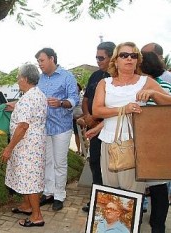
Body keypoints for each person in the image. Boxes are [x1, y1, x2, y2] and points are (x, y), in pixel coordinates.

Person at [92, 42, 171, 195]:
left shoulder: (146, 82)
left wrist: (154, 94)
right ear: (115, 60)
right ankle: (113, 220)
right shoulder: (105, 83)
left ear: (137, 60)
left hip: (135, 144)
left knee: (132, 195)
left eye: (133, 55)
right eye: (124, 55)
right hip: (109, 142)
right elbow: (96, 110)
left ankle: (133, 219)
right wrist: (123, 109)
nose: (129, 58)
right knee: (110, 193)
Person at [1, 63, 47, 227]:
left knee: (30, 180)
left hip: (27, 146)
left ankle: (37, 216)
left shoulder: (28, 98)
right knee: (26, 176)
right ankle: (27, 206)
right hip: (33, 145)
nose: (17, 80)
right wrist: (15, 106)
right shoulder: (37, 94)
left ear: (26, 79)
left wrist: (9, 148)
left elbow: (23, 126)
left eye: (19, 78)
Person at [35, 48, 79, 211]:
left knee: (60, 163)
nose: (40, 64)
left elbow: (75, 99)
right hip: (43, 127)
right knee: (47, 162)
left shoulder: (67, 76)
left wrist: (61, 103)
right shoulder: (40, 79)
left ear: (52, 59)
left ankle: (59, 195)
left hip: (61, 127)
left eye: (42, 60)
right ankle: (49, 193)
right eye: (38, 61)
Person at [81, 41, 116, 213]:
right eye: (96, 57)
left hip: (111, 129)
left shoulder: (117, 79)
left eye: (101, 57)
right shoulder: (95, 76)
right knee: (95, 163)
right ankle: (96, 200)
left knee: (110, 167)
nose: (97, 61)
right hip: (94, 128)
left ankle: (108, 204)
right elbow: (86, 99)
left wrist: (98, 121)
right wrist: (88, 117)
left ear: (112, 57)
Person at [140, 50, 170, 233]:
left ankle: (156, 225)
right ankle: (157, 225)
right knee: (159, 190)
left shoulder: (161, 87)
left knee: (157, 189)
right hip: (156, 146)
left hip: (152, 146)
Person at [72, 83, 84, 155]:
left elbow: (85, 108)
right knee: (76, 134)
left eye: (77, 88)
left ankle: (84, 150)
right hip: (74, 119)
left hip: (82, 118)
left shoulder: (82, 97)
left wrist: (81, 116)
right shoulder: (71, 97)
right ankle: (78, 150)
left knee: (83, 134)